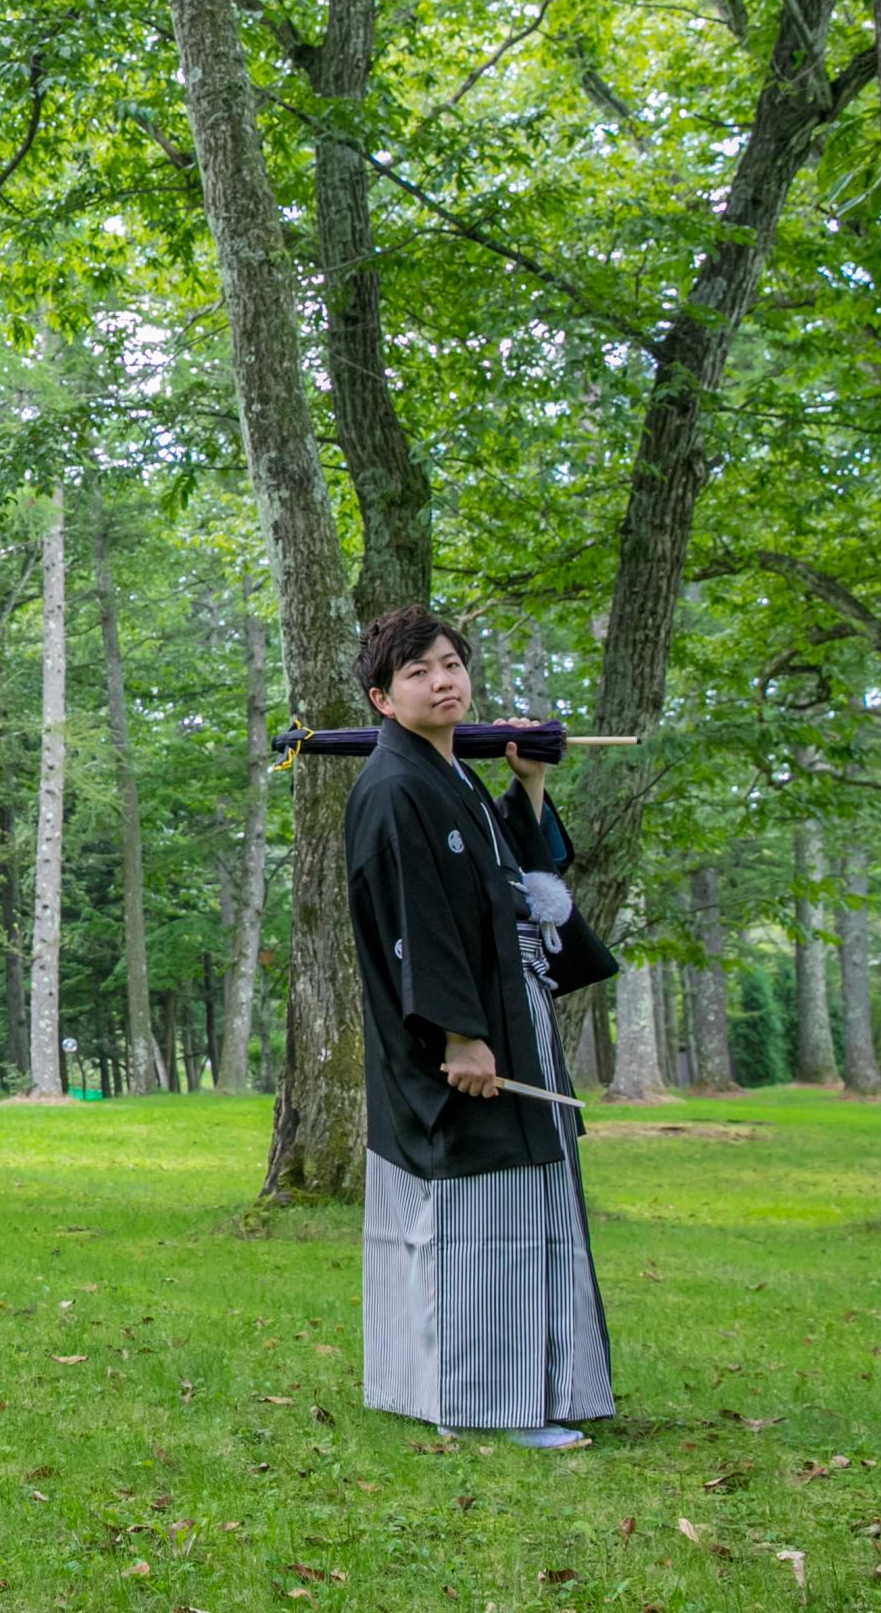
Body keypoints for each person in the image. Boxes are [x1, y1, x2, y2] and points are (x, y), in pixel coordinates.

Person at [344, 607, 618, 1449]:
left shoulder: (450, 776)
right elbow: (413, 920)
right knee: (475, 1218)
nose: (442, 681)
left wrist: (526, 785)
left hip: (507, 1015)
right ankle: (482, 1405)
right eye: (418, 672)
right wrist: (457, 1036)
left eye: (451, 664)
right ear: (381, 698)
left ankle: (527, 1390)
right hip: (458, 1037)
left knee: (526, 1207)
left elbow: (513, 876)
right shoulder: (392, 788)